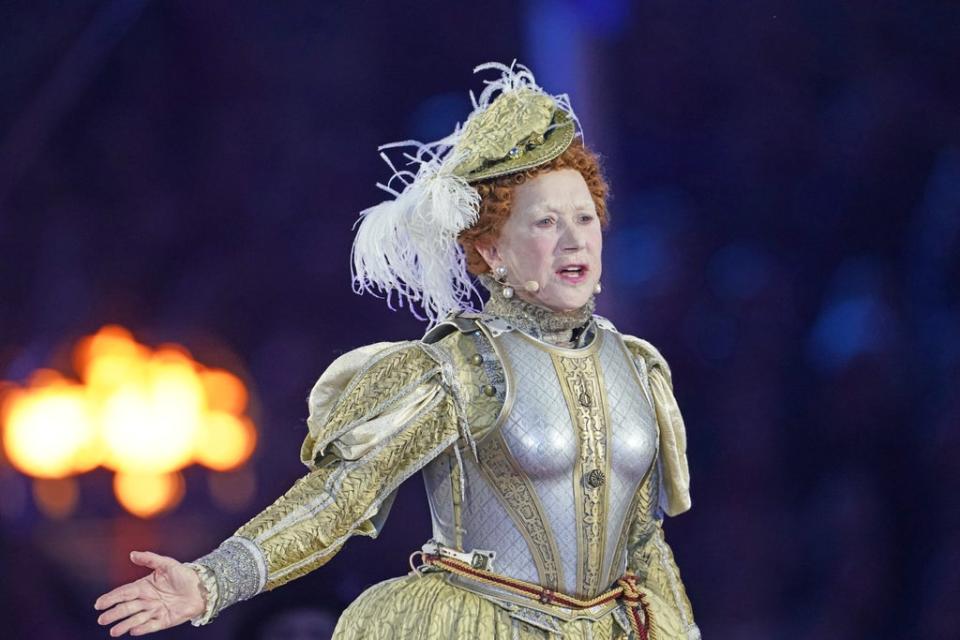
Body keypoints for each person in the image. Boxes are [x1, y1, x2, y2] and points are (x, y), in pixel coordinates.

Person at [94, 61, 700, 639]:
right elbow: (339, 498)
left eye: (586, 218)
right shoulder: (463, 367)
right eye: (546, 222)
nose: (574, 239)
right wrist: (210, 581)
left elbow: (646, 550)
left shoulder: (638, 368)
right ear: (491, 249)